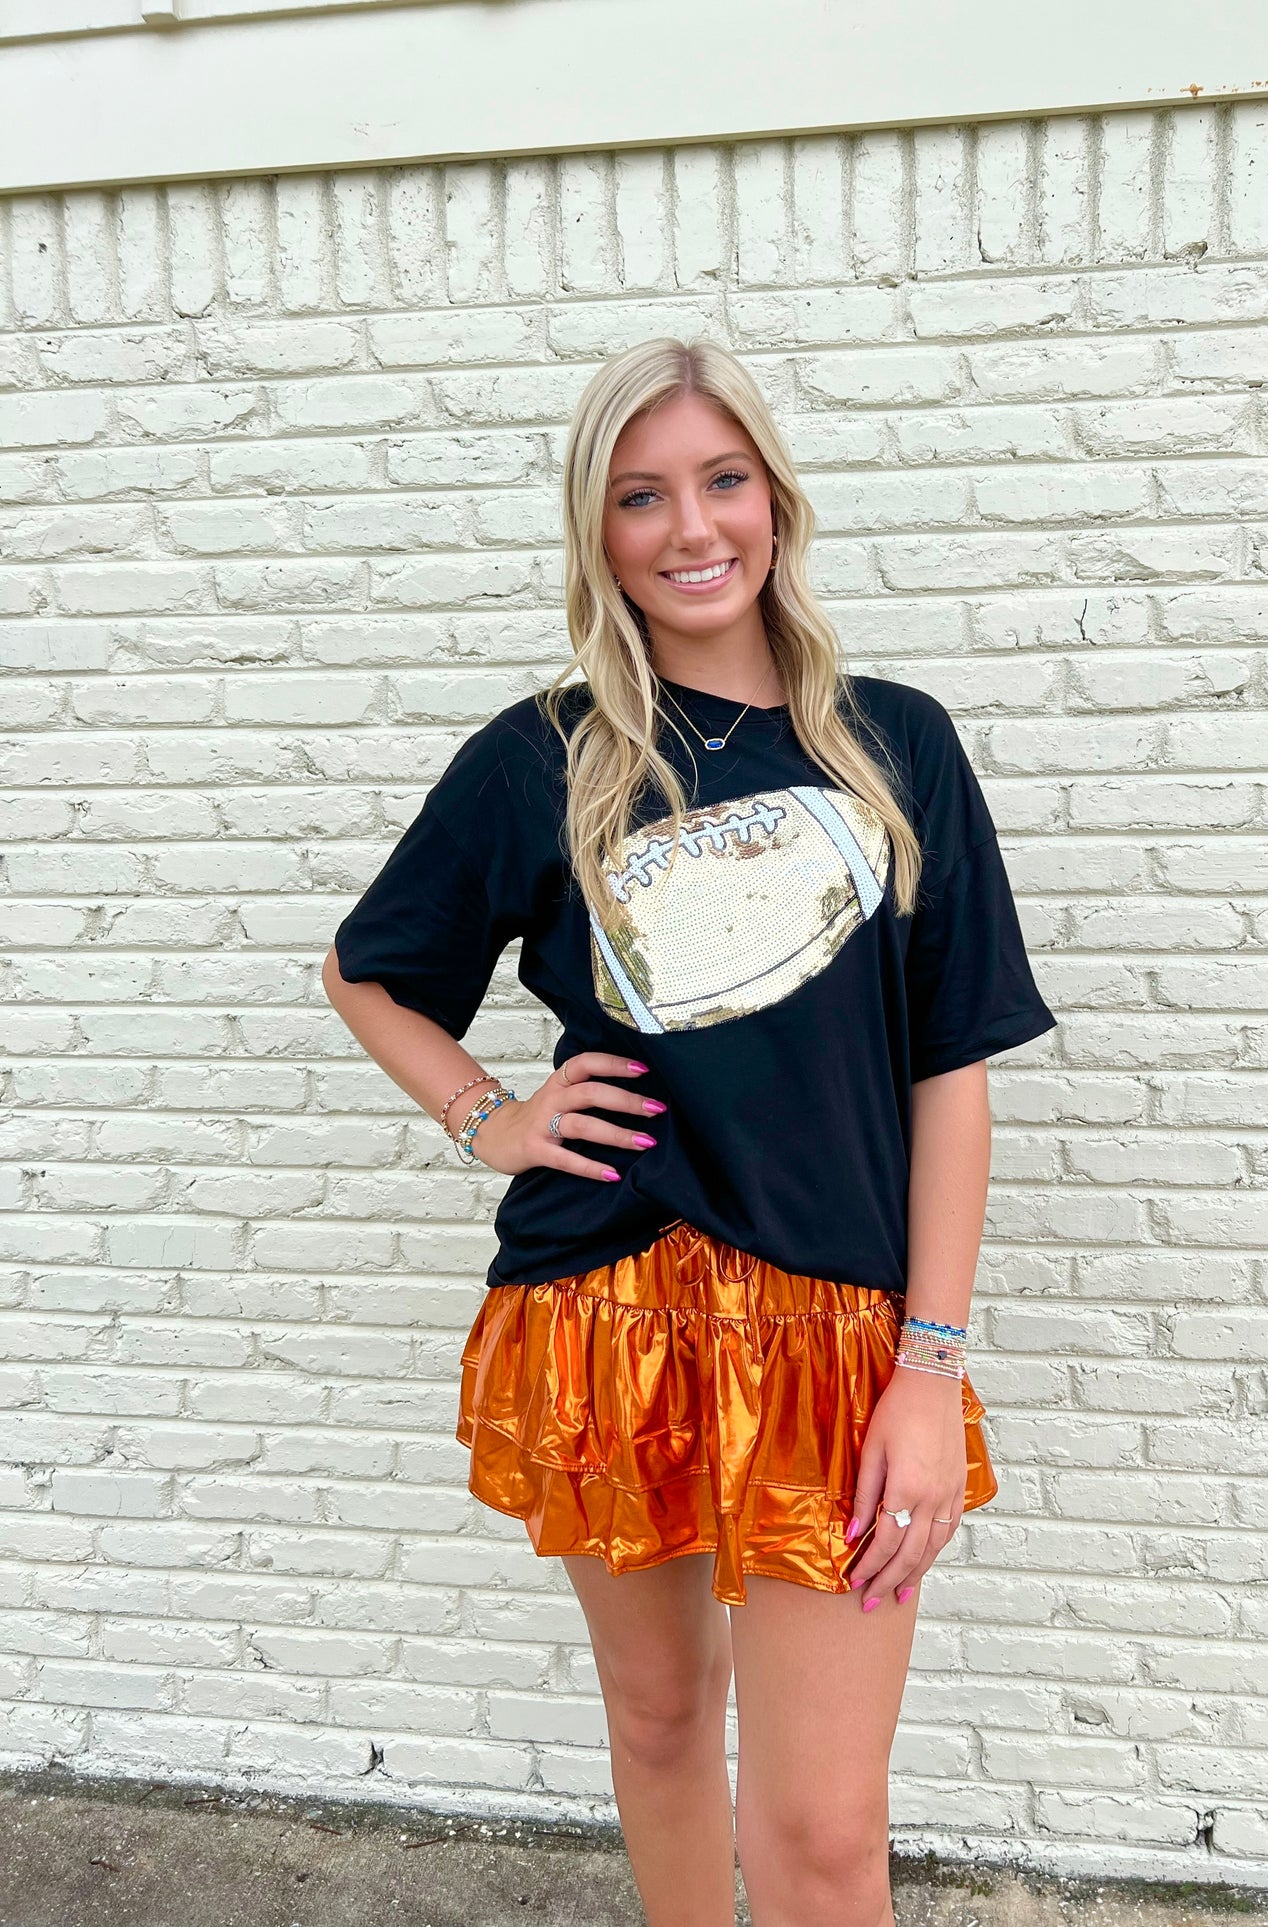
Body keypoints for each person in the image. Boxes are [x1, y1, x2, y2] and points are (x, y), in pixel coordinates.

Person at [321, 335, 1056, 1927]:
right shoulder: (543, 755)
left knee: (823, 1831)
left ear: (774, 500)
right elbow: (369, 970)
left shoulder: (896, 744)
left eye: (721, 480)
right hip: (604, 1308)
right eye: (640, 495)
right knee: (658, 1723)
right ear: (598, 531)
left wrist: (929, 1369)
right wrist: (488, 1117)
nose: (690, 526)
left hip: (835, 1340)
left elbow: (952, 1067)